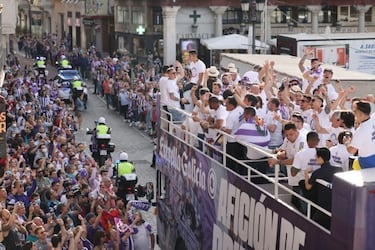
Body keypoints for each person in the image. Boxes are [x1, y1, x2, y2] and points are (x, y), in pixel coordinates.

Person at [304, 147, 342, 229]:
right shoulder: (339, 169)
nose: (315, 158)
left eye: (316, 157)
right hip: (337, 205)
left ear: (321, 158)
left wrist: (306, 175)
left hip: (323, 206)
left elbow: (308, 187)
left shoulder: (317, 173)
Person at [347, 101, 375, 169]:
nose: (354, 114)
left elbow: (352, 151)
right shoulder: (373, 119)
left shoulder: (360, 131)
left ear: (361, 114)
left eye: (355, 112)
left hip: (367, 161)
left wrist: (347, 142)